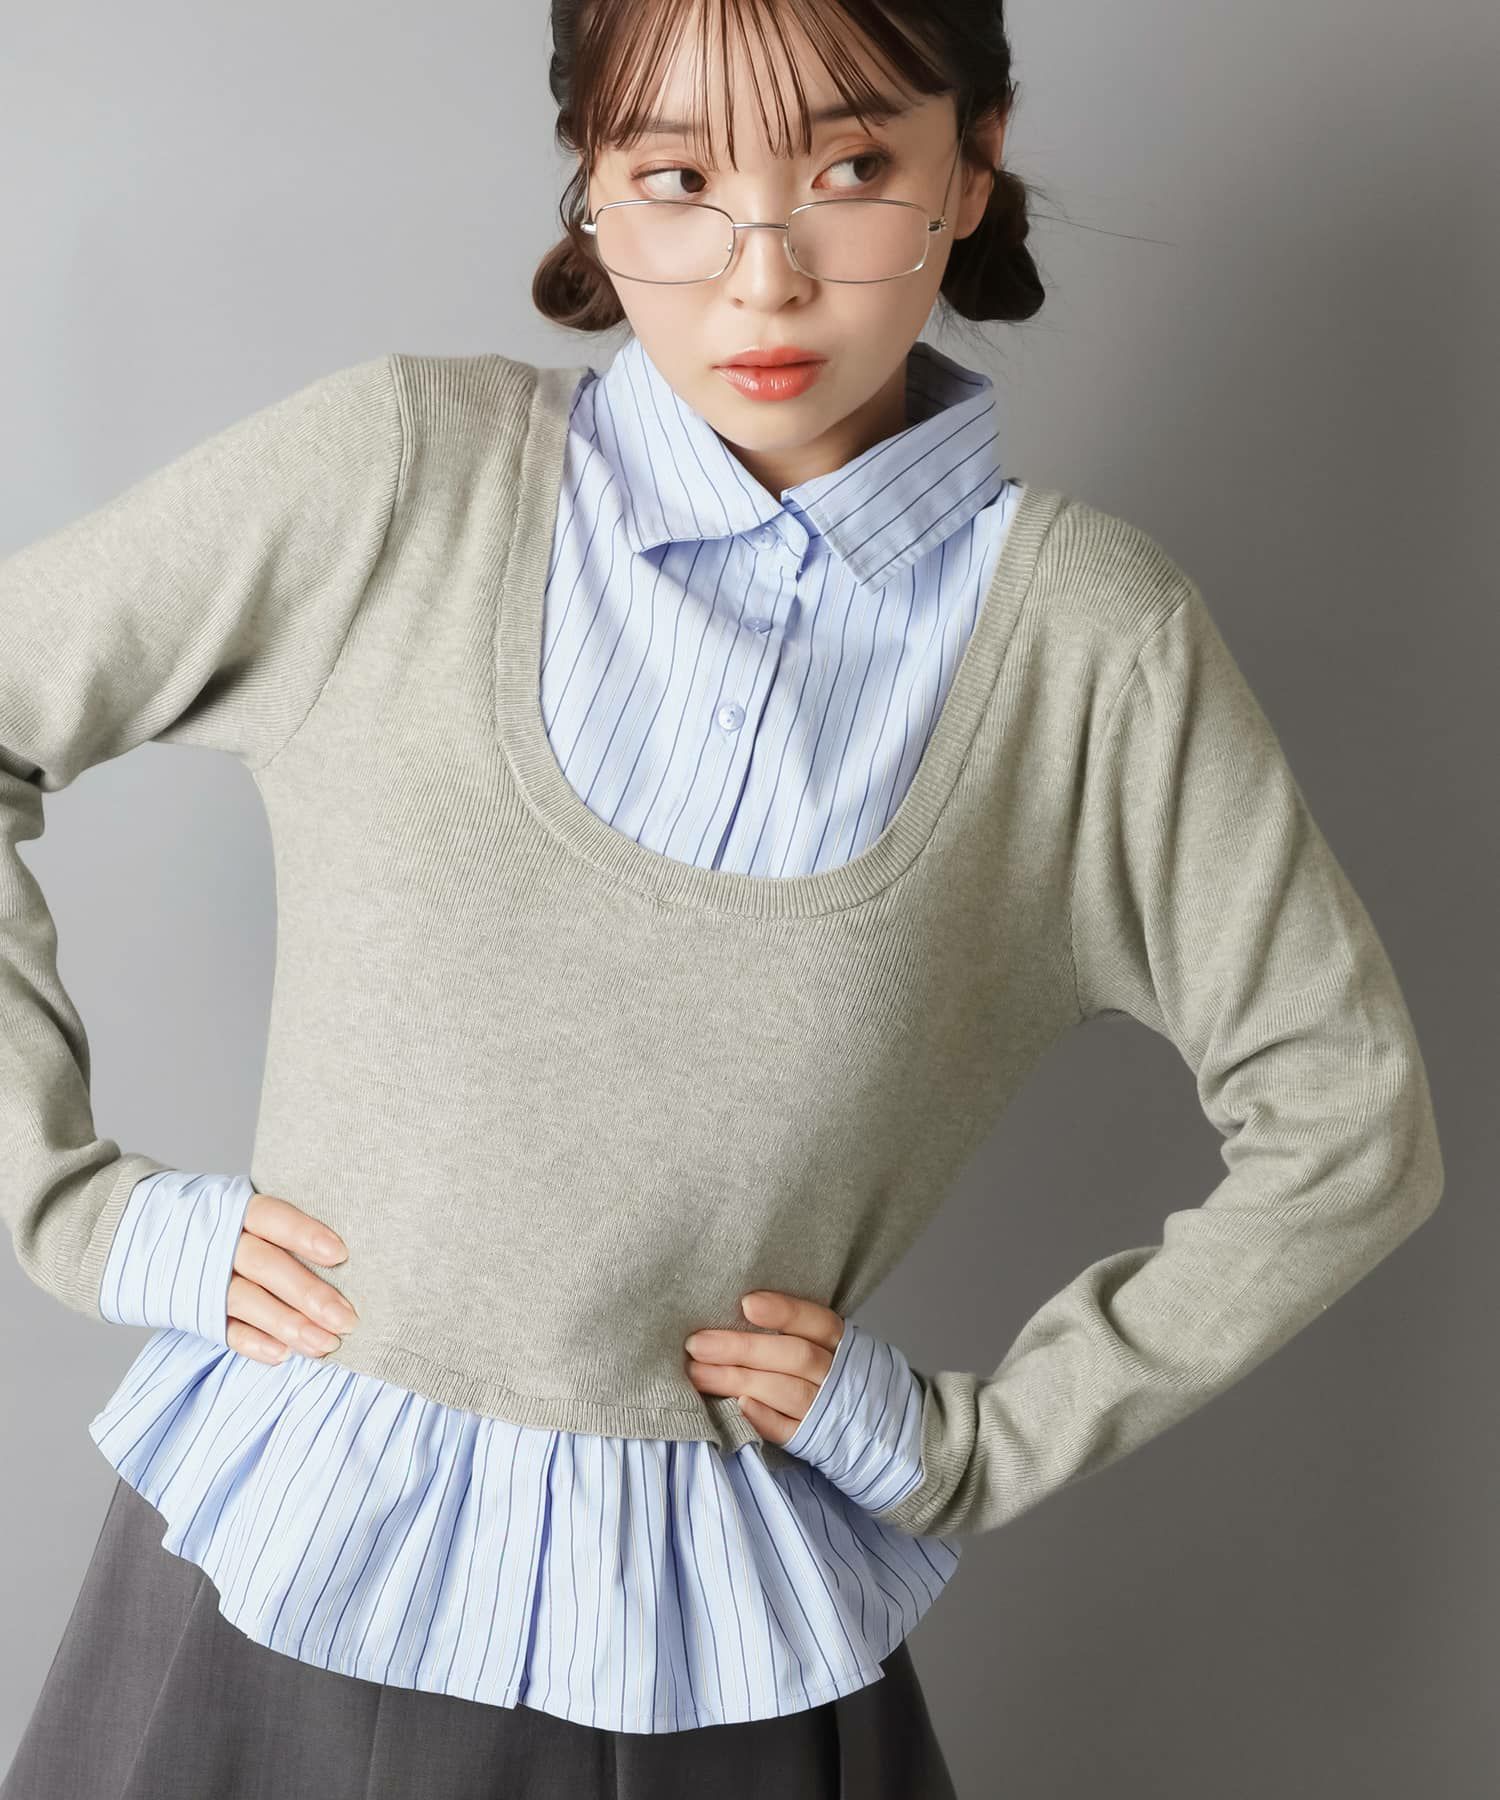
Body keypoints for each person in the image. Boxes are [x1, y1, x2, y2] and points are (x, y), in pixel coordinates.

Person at [0, 0, 1443, 1795]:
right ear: (591, 183)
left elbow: (1347, 1125)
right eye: (677, 178)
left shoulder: (1090, 648)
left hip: (714, 1664)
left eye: (851, 167)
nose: (765, 279)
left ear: (973, 163)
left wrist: (974, 1444)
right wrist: (74, 1208)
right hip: (273, 1571)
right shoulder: (401, 479)